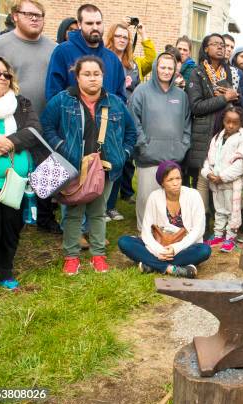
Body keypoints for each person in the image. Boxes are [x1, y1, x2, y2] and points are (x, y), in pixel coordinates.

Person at [41, 55, 137, 275]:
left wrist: (122, 154)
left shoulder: (115, 103)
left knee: (98, 212)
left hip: (104, 169)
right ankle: (71, 256)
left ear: (103, 76)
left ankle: (98, 255)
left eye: (97, 74)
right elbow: (46, 126)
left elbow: (132, 133)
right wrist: (61, 145)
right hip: (75, 168)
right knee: (73, 212)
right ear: (77, 76)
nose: (92, 78)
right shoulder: (64, 100)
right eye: (87, 74)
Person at [0, 0, 61, 235]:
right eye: (29, 14)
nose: (35, 18)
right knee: (15, 168)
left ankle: (45, 218)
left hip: (46, 120)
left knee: (47, 169)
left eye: (39, 15)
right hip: (9, 119)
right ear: (15, 16)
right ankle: (12, 215)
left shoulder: (53, 48)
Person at [0, 55, 44, 307]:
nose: (3, 78)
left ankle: (4, 273)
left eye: (6, 74)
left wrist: (9, 143)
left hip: (14, 182)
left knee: (10, 230)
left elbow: (34, 130)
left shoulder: (20, 104)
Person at [130, 52, 191, 231]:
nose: (166, 71)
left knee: (169, 201)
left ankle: (165, 236)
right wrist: (143, 146)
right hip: (148, 157)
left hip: (173, 159)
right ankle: (144, 234)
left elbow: (187, 125)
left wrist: (182, 148)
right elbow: (133, 121)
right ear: (156, 67)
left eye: (170, 68)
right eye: (162, 67)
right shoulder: (141, 91)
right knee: (146, 200)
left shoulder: (181, 96)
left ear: (175, 71)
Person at [118, 160, 210, 277]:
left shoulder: (194, 195)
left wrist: (175, 248)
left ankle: (150, 265)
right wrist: (158, 251)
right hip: (159, 244)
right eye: (170, 180)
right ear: (162, 183)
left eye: (178, 178)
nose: (176, 183)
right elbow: (146, 231)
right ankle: (171, 268)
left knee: (204, 250)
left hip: (185, 246)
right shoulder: (154, 197)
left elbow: (198, 230)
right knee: (124, 242)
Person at [104, 20, 156, 221]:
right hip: (106, 115)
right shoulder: (103, 58)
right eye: (118, 36)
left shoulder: (134, 64)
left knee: (120, 160)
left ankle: (111, 206)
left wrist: (143, 35)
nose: (122, 40)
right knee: (103, 161)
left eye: (125, 37)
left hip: (126, 119)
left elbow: (151, 59)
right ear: (111, 37)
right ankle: (98, 206)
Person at [184, 33, 240, 211]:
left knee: (220, 178)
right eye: (215, 44)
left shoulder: (228, 73)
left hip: (223, 133)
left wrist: (231, 98)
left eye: (222, 44)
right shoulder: (197, 73)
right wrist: (224, 98)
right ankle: (201, 221)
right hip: (203, 133)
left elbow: (232, 101)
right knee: (203, 179)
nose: (220, 47)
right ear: (206, 49)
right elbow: (196, 106)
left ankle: (220, 223)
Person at [45, 4, 126, 102]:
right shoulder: (62, 52)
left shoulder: (112, 59)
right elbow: (53, 95)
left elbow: (120, 98)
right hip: (71, 116)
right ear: (79, 24)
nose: (95, 27)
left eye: (99, 23)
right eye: (89, 23)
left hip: (105, 116)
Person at [201, 106, 243, 252]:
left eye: (235, 123)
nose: (230, 125)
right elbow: (208, 159)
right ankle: (218, 234)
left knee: (233, 211)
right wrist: (208, 173)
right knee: (219, 209)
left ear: (241, 123)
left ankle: (230, 237)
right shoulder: (217, 138)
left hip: (233, 184)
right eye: (227, 122)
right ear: (223, 121)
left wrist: (223, 177)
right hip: (217, 183)